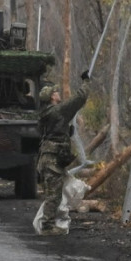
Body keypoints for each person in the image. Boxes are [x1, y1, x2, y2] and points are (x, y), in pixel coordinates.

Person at [35, 72, 90, 236]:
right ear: (52, 97)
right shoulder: (58, 111)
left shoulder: (46, 114)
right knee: (53, 195)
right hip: (52, 160)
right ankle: (47, 227)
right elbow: (79, 99)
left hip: (47, 158)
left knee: (54, 194)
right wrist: (86, 81)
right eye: (56, 92)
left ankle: (50, 223)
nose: (58, 94)